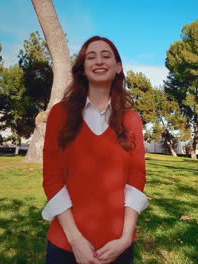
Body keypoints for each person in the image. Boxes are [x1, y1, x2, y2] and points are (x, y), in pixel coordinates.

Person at [42, 36, 149, 264]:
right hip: (66, 243)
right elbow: (52, 178)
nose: (98, 61)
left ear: (118, 67)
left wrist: (124, 237)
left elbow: (136, 179)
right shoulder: (61, 114)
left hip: (118, 245)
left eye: (106, 55)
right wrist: (76, 240)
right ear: (83, 68)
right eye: (91, 57)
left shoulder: (132, 120)